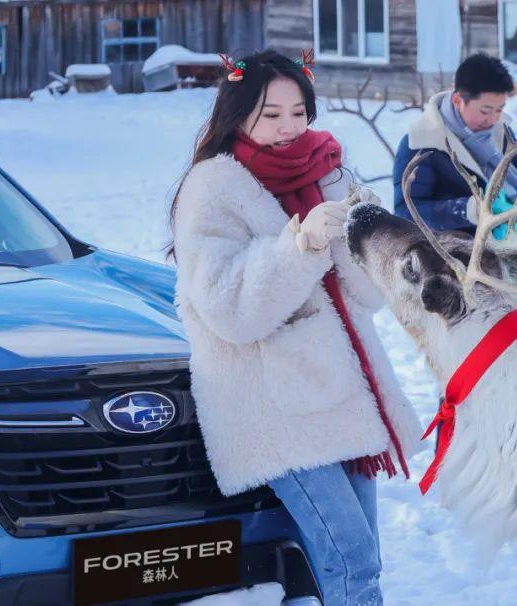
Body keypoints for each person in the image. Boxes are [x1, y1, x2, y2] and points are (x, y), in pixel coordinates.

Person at [170, 49, 423, 606]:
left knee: (365, 553)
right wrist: (300, 245)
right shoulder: (213, 189)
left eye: (298, 112)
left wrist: (361, 236)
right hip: (272, 406)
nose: (288, 127)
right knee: (351, 557)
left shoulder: (329, 171)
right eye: (271, 114)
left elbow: (367, 297)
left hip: (341, 393)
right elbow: (229, 310)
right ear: (238, 113)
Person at [393, 53, 517, 313]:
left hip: (507, 256)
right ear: (458, 100)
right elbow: (405, 212)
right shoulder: (421, 144)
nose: (493, 118)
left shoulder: (500, 130)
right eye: (485, 110)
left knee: (512, 322)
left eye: (499, 109)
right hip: (452, 269)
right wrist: (466, 210)